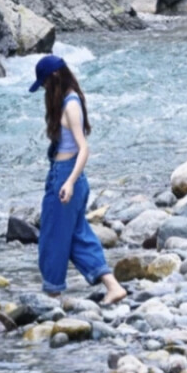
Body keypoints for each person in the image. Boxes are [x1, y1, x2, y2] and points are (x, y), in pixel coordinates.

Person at [28, 53, 127, 305]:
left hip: (66, 177)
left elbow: (83, 149)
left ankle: (52, 294)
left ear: (54, 77)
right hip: (61, 175)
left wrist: (69, 182)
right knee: (77, 236)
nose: (44, 90)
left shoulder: (70, 105)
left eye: (44, 84)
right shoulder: (67, 100)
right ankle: (112, 287)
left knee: (52, 237)